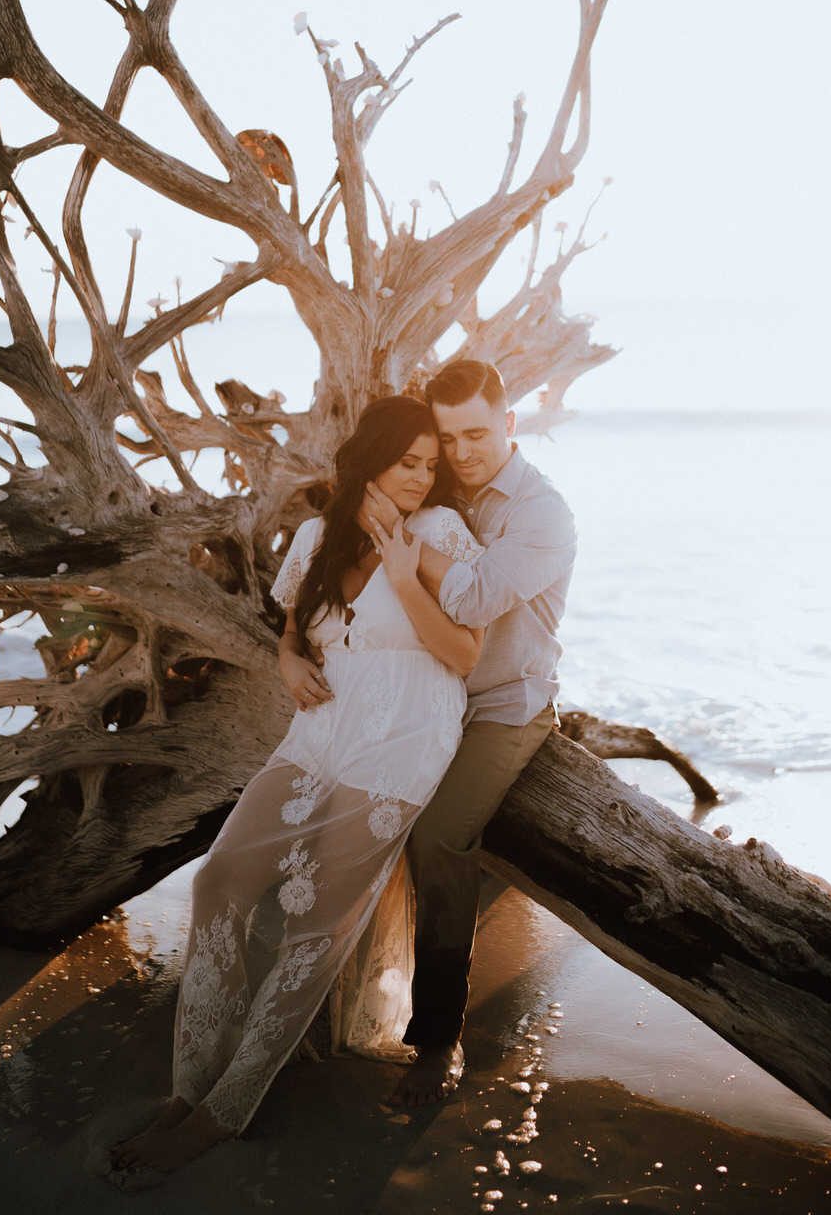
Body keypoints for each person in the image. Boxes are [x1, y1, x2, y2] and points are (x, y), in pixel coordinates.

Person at [107, 395, 483, 1184]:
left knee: (316, 918)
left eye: (429, 463)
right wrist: (285, 658)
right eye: (405, 461)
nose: (421, 476)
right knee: (222, 879)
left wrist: (406, 567)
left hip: (403, 744)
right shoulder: (316, 535)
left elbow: (463, 654)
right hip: (321, 731)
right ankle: (189, 1085)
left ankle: (223, 1108)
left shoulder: (442, 534)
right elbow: (295, 624)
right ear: (368, 461)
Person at [359, 361, 577, 1108]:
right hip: (431, 696)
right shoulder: (444, 487)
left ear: (510, 424)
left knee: (439, 834)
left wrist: (403, 547)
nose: (461, 451)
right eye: (447, 438)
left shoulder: (542, 513)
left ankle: (437, 1039)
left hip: (506, 705)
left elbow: (477, 596)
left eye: (477, 433)